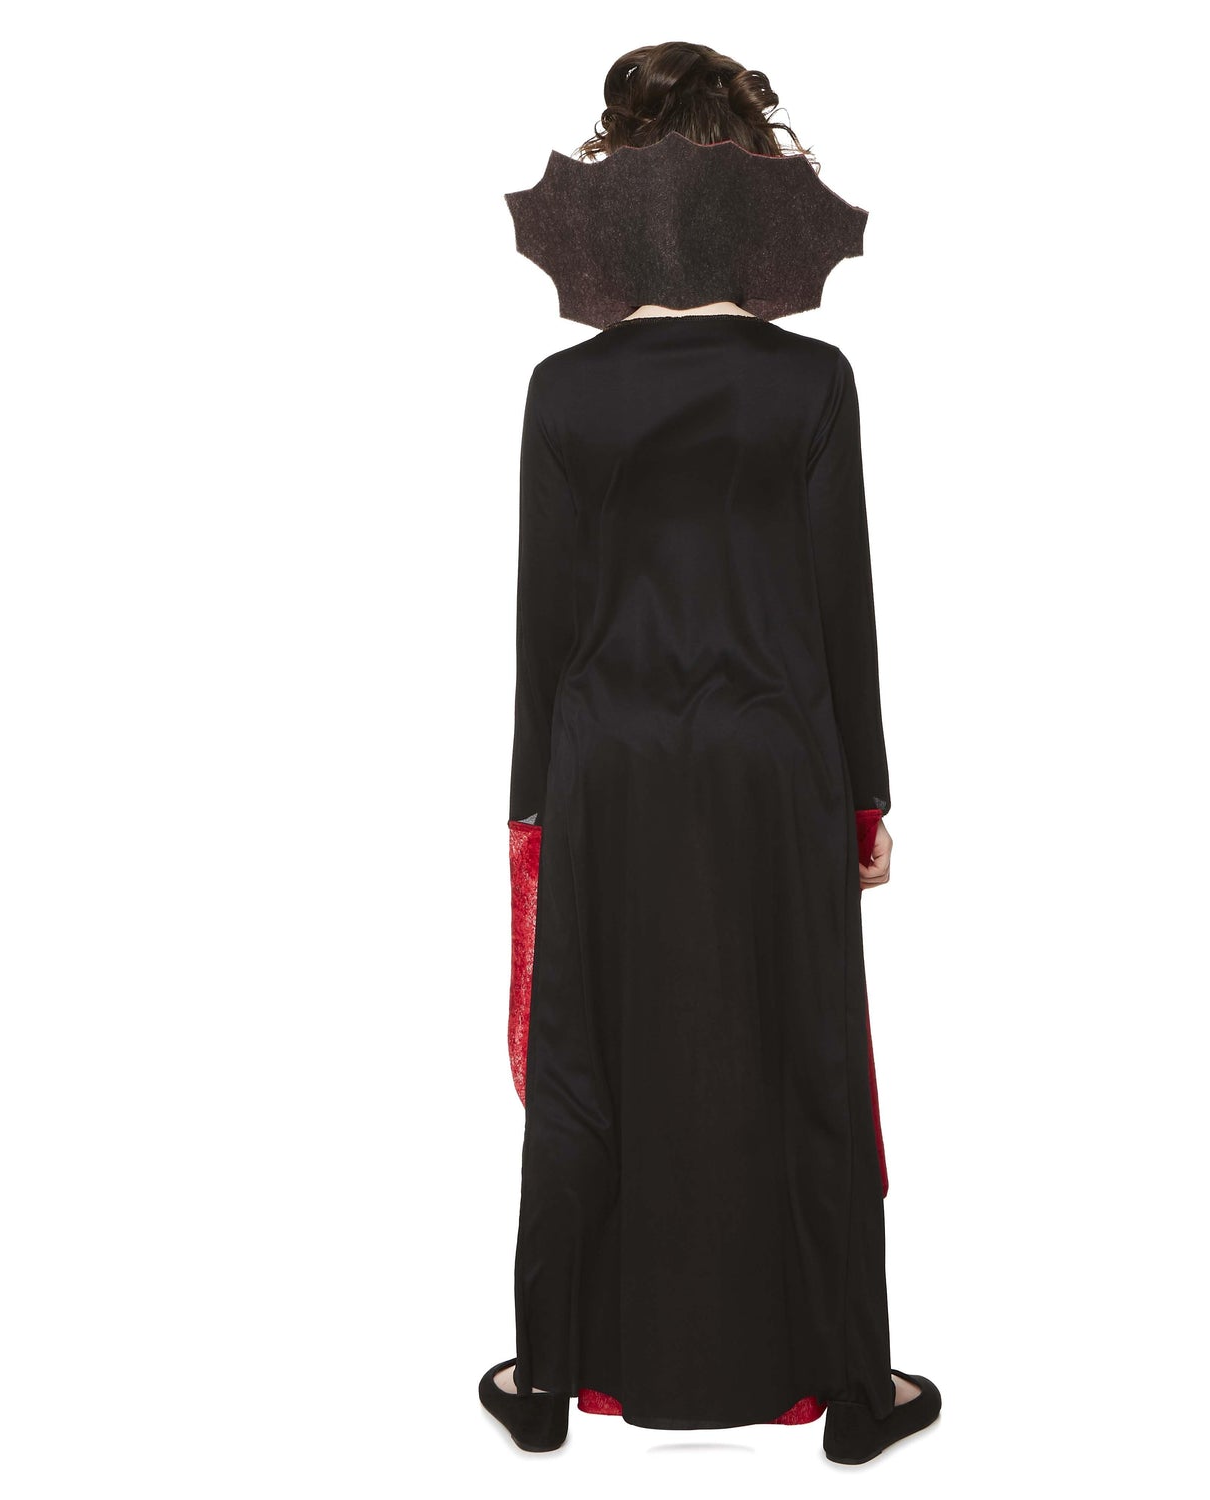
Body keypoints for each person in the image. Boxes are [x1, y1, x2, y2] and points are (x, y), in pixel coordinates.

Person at [479, 42, 941, 1465]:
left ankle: (543, 1380)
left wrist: (529, 809)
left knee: (586, 1066)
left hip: (608, 764)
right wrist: (865, 793)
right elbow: (841, 606)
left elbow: (545, 627)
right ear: (753, 189)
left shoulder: (564, 392)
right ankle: (855, 1394)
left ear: (622, 191)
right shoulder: (813, 385)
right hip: (772, 758)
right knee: (806, 1058)